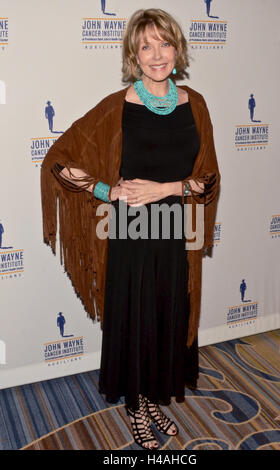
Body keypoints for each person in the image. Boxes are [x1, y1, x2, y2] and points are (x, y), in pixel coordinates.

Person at [41, 8, 220, 450]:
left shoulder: (195, 104)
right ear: (133, 56)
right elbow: (58, 161)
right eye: (145, 46)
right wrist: (106, 190)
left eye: (164, 43)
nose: (156, 54)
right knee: (137, 319)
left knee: (167, 316)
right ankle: (137, 407)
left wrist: (167, 188)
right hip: (131, 233)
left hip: (176, 229)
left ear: (177, 50)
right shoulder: (116, 107)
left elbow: (208, 179)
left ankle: (153, 397)